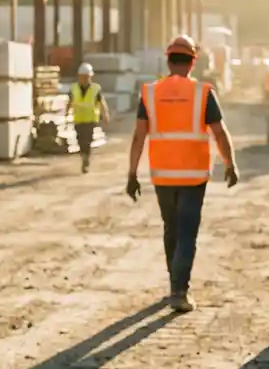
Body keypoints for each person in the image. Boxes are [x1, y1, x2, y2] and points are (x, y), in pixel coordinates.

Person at [125, 35, 240, 313]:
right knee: (187, 233)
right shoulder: (203, 93)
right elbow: (220, 134)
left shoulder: (150, 93)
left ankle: (174, 285)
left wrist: (132, 174)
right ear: (192, 63)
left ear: (168, 60)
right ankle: (180, 290)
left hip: (163, 176)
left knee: (171, 229)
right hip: (193, 176)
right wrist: (230, 164)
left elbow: (139, 136)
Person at [66, 62, 111, 173]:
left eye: (87, 77)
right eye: (83, 77)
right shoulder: (74, 88)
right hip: (78, 119)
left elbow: (102, 102)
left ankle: (86, 161)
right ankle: (84, 158)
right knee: (80, 141)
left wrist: (105, 114)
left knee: (87, 140)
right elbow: (69, 101)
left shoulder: (96, 88)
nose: (85, 79)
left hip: (91, 119)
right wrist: (66, 113)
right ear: (79, 77)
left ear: (90, 77)